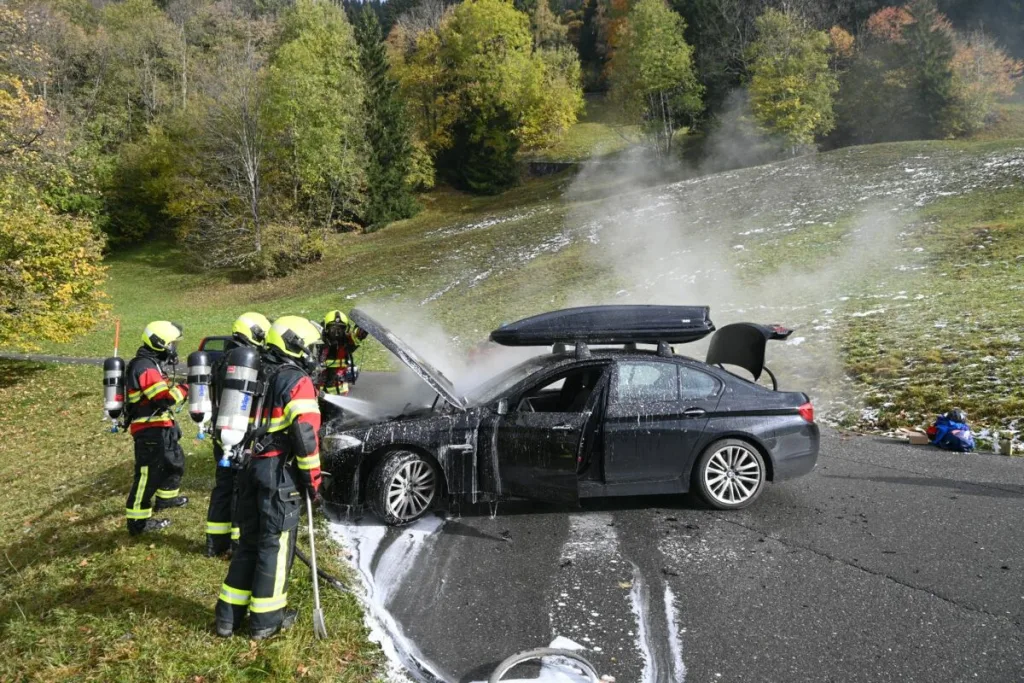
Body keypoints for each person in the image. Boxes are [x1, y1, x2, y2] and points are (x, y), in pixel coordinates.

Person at [215, 316, 324, 640]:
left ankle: (227, 617)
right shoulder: (296, 381)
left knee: (248, 541)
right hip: (277, 474)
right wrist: (313, 481)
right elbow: (305, 435)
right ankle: (266, 621)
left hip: (247, 468)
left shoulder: (255, 371)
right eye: (311, 347)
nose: (314, 354)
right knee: (273, 548)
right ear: (296, 344)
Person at [205, 312, 272, 558]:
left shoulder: (221, 359)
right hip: (240, 435)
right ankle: (237, 543)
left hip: (220, 432)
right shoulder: (249, 362)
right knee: (239, 489)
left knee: (222, 487)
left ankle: (214, 542)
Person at [124, 321, 189, 536]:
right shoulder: (144, 366)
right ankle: (137, 522)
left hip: (162, 425)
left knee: (173, 461)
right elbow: (163, 398)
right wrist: (188, 387)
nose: (174, 348)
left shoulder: (153, 363)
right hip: (148, 429)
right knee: (147, 475)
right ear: (160, 344)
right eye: (172, 344)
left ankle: (166, 499)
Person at [318, 310, 367, 396]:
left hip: (339, 391)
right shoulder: (318, 342)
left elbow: (358, 336)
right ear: (326, 328)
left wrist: (363, 327)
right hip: (318, 390)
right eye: (333, 329)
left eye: (340, 329)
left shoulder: (346, 342)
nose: (336, 333)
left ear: (345, 329)